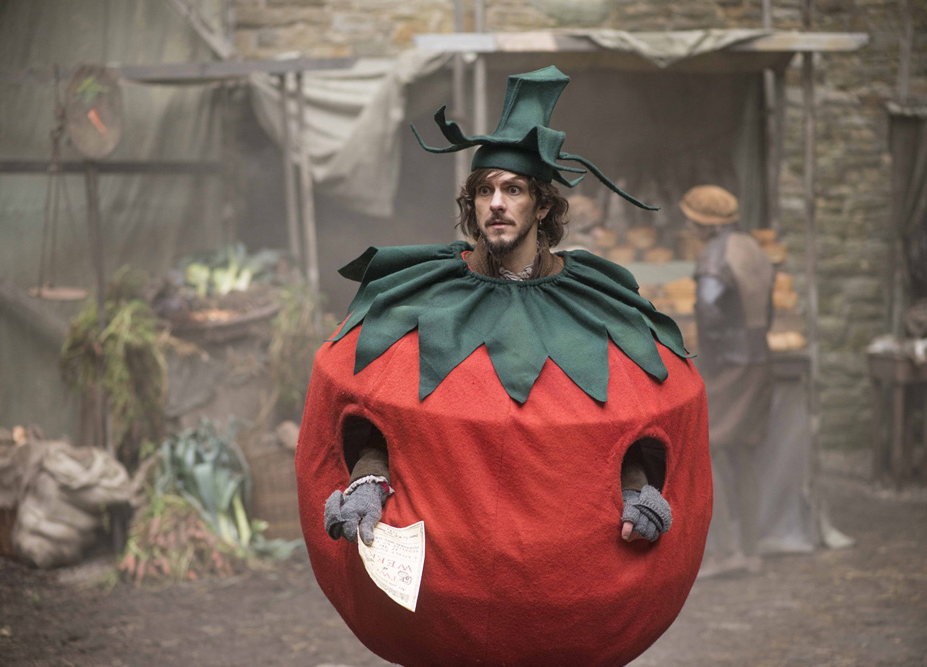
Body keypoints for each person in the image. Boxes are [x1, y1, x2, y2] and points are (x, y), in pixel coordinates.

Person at [325, 67, 675, 548]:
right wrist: (366, 481)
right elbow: (386, 416)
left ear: (542, 206)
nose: (496, 204)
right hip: (454, 550)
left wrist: (636, 488)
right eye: (485, 191)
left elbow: (618, 421)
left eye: (513, 190)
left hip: (561, 549)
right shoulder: (425, 297)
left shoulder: (591, 299)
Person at [681, 184, 775, 576]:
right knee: (743, 452)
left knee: (709, 451)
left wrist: (711, 364)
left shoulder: (714, 255)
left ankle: (724, 552)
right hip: (759, 358)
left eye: (692, 221)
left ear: (705, 223)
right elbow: (768, 310)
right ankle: (751, 551)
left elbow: (708, 310)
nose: (689, 228)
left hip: (730, 365)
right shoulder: (753, 248)